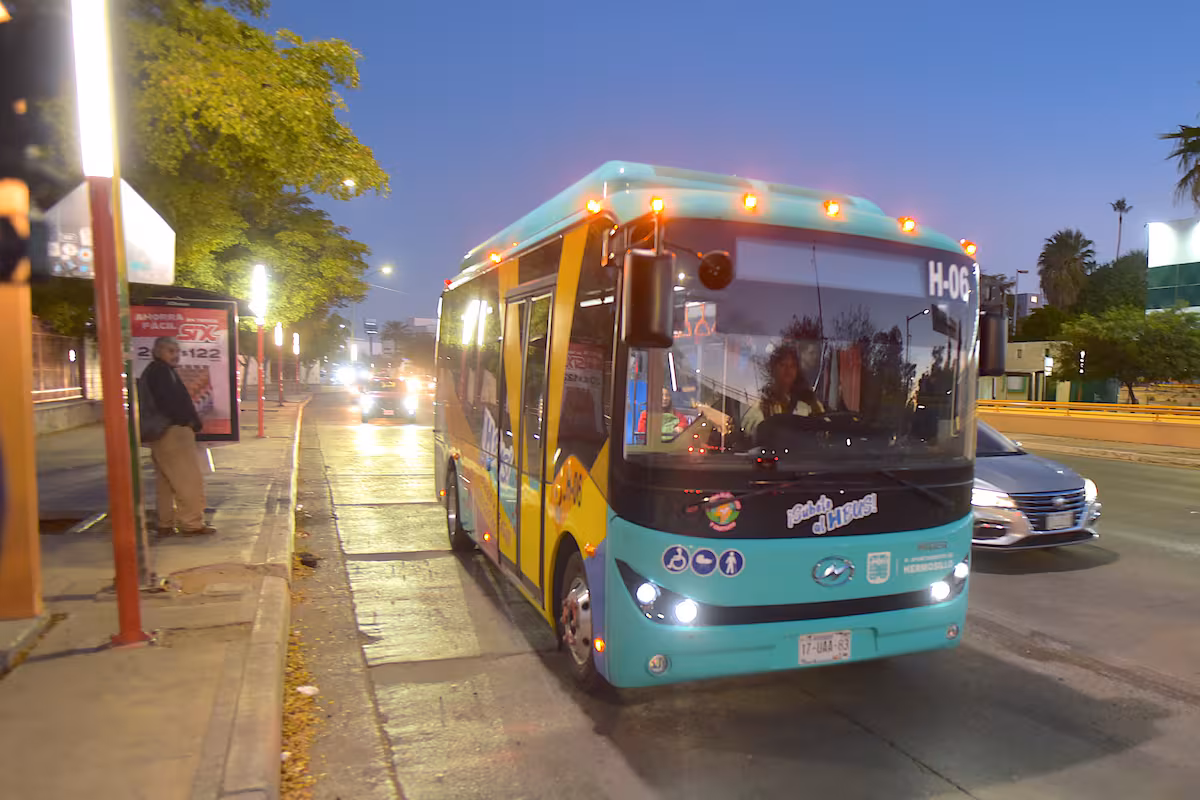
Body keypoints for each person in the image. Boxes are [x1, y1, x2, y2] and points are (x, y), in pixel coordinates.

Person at [142, 336, 214, 536]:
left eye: (177, 351)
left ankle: (165, 523)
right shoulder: (162, 373)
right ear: (158, 351)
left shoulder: (154, 371)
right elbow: (171, 403)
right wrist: (189, 422)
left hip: (160, 433)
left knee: (165, 481)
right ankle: (192, 523)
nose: (175, 355)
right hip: (172, 431)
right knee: (187, 480)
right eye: (170, 351)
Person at [741, 345, 826, 438]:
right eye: (782, 364)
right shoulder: (762, 405)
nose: (788, 369)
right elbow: (750, 431)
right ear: (773, 369)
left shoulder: (811, 403)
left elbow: (824, 429)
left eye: (792, 366)